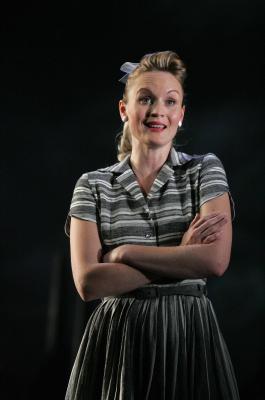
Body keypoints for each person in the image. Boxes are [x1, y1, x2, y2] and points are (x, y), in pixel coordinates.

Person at [64, 50, 240, 399]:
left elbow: (214, 261)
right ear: (124, 110)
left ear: (181, 115)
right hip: (117, 344)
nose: (158, 109)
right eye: (145, 99)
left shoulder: (204, 170)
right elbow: (88, 283)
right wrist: (181, 254)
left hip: (189, 337)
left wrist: (125, 253)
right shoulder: (92, 185)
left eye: (170, 101)